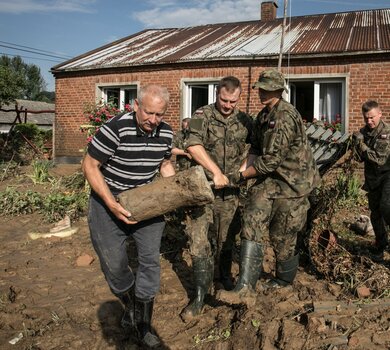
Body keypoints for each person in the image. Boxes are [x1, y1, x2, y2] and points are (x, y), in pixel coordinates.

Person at [82, 84, 175, 348]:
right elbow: (89, 165)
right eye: (148, 113)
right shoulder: (115, 128)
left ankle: (144, 326)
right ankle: (132, 304)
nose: (153, 120)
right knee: (115, 266)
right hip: (107, 201)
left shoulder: (166, 133)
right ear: (135, 105)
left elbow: (165, 163)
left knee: (149, 262)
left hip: (146, 202)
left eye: (159, 115)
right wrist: (111, 204)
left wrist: (172, 192)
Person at [218, 70, 320, 305]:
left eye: (266, 88)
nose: (261, 92)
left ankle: (284, 280)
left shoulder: (285, 116)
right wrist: (241, 172)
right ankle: (244, 287)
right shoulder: (264, 115)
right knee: (252, 216)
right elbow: (255, 148)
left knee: (282, 234)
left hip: (294, 183)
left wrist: (241, 176)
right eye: (260, 88)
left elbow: (271, 161)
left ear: (278, 90)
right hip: (272, 180)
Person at [181, 76, 253, 320]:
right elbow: (192, 145)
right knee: (200, 239)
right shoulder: (202, 114)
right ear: (217, 95)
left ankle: (222, 282)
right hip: (204, 189)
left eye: (233, 101)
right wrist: (216, 172)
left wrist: (243, 170)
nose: (228, 105)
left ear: (239, 98)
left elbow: (256, 148)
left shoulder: (245, 120)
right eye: (224, 100)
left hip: (231, 192)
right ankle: (200, 295)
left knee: (225, 239)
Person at [352, 100, 390, 262]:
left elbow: (379, 159)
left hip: (388, 176)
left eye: (372, 117)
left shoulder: (386, 132)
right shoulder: (363, 132)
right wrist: (355, 144)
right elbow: (359, 159)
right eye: (366, 118)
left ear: (380, 114)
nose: (369, 121)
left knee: (387, 208)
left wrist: (361, 145)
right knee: (375, 214)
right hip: (373, 179)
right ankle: (380, 245)